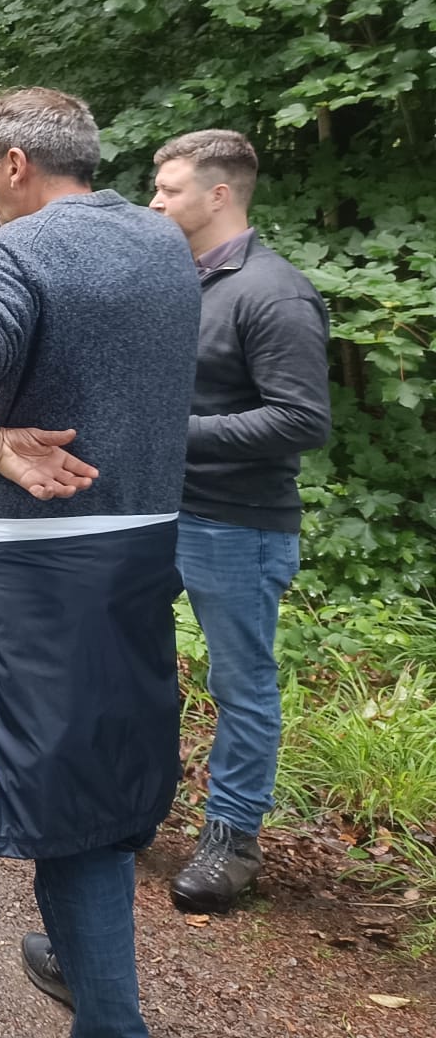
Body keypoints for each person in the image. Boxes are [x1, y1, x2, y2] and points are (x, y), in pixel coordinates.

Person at [0, 86, 198, 1038]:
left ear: (15, 165)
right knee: (101, 768)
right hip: (145, 546)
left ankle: (111, 1018)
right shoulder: (164, 242)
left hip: (40, 567)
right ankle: (83, 968)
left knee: (62, 803)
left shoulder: (21, 249)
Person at [151, 128, 331, 913]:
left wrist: (172, 433)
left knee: (240, 684)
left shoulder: (273, 292)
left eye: (170, 190)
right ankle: (136, 804)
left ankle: (232, 839)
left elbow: (302, 420)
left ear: (219, 194)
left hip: (240, 524)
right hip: (159, 511)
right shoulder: (177, 282)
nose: (156, 203)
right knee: (134, 659)